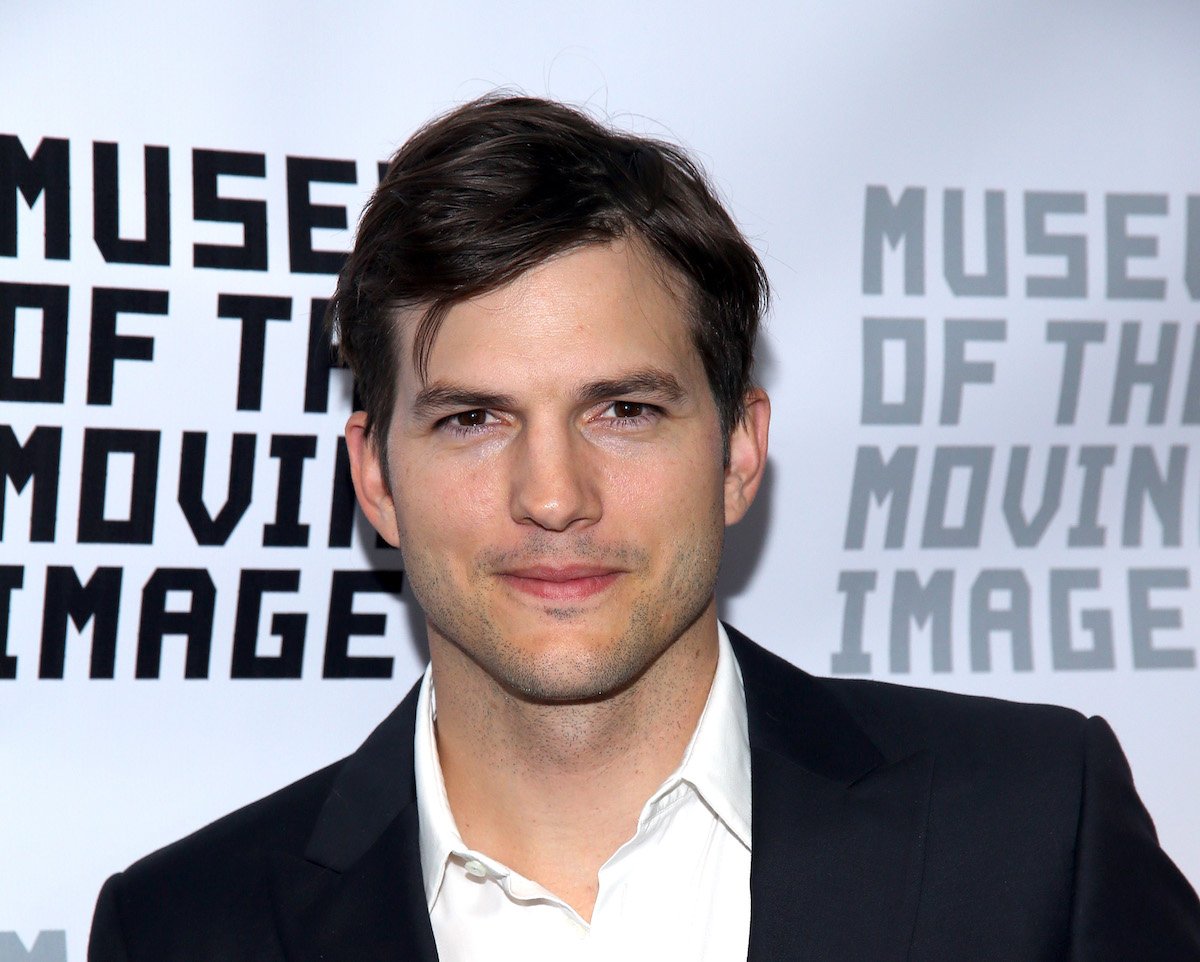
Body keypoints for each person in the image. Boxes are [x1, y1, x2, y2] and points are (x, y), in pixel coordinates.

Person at [89, 95, 1200, 962]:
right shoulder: (188, 927)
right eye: (473, 419)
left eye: (624, 409)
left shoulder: (1034, 827)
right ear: (375, 477)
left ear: (738, 450)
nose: (556, 494)